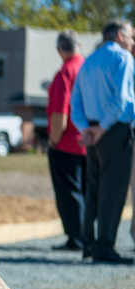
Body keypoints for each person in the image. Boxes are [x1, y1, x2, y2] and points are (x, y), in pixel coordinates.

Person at [70, 18, 135, 264]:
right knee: (113, 190)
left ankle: (88, 243)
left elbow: (75, 103)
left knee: (94, 188)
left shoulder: (88, 61)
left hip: (93, 132)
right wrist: (103, 128)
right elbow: (120, 99)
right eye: (130, 36)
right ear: (119, 35)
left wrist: (87, 129)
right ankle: (105, 246)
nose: (132, 41)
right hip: (114, 130)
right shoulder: (123, 58)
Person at [46, 30, 86, 251]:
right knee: (86, 191)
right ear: (78, 44)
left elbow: (60, 114)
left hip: (67, 143)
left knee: (69, 193)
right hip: (89, 142)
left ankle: (76, 237)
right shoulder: (87, 69)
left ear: (59, 49)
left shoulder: (65, 73)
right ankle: (87, 234)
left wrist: (53, 141)